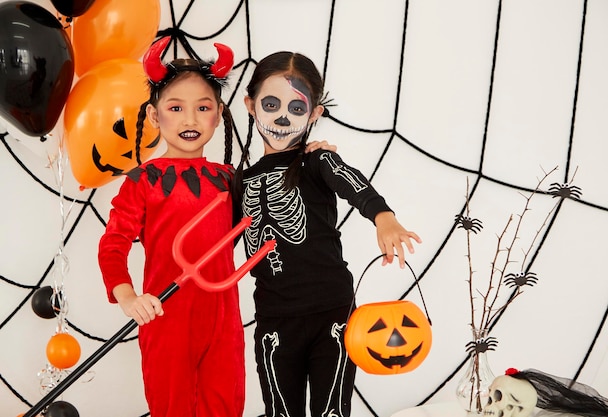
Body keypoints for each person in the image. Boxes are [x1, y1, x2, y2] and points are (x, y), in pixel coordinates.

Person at [98, 38, 336, 417]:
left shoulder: (232, 180)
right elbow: (113, 244)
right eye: (175, 108)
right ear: (155, 116)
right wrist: (128, 297)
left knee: (226, 405)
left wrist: (309, 157)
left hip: (223, 323)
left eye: (203, 108)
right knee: (171, 407)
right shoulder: (144, 181)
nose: (190, 120)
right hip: (165, 317)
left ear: (219, 114)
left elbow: (274, 199)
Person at [232, 51, 422, 417]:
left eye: (297, 108)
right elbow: (215, 240)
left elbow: (354, 186)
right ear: (251, 106)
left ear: (315, 113)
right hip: (274, 320)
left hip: (332, 315)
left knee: (332, 412)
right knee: (281, 413)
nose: (282, 117)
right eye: (270, 104)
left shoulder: (318, 160)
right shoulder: (241, 182)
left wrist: (383, 216)